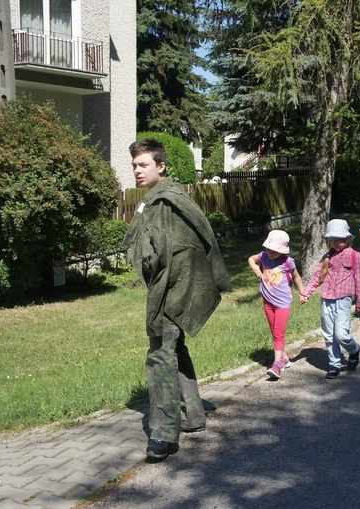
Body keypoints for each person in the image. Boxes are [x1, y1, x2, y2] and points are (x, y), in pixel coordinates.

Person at [122, 138, 231, 461]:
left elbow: (165, 252)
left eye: (143, 165)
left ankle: (163, 434)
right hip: (177, 285)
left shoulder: (165, 201)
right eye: (134, 166)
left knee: (159, 356)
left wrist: (157, 275)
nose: (137, 171)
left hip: (173, 290)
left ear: (161, 166)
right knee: (174, 348)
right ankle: (194, 415)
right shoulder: (165, 197)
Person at [300, 219, 360, 378]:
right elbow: (318, 276)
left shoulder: (355, 256)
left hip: (343, 301)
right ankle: (334, 364)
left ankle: (354, 349)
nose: (335, 243)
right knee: (329, 334)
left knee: (341, 335)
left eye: (338, 240)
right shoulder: (327, 257)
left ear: (348, 239)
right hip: (326, 300)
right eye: (331, 241)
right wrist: (306, 292)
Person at [248, 230, 305, 379]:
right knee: (274, 332)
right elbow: (251, 259)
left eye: (275, 251)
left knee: (279, 334)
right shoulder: (263, 256)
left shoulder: (288, 262)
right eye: (269, 249)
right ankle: (284, 357)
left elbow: (296, 276)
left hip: (282, 304)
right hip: (267, 302)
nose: (271, 253)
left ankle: (276, 365)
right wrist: (254, 266)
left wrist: (302, 292)